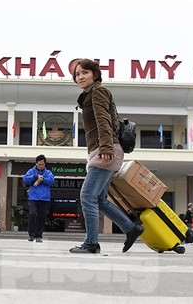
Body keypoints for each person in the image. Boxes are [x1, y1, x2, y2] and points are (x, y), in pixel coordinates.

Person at [69, 59, 144, 254]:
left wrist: (106, 148)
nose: (80, 77)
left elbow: (103, 120)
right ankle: (131, 228)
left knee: (87, 196)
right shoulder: (88, 96)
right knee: (100, 199)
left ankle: (91, 243)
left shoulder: (98, 92)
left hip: (106, 150)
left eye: (85, 72)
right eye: (77, 74)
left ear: (94, 74)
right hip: (104, 149)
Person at [23, 154, 54, 243]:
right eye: (39, 164)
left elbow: (51, 181)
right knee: (32, 214)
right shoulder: (31, 171)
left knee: (42, 217)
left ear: (45, 164)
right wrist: (35, 177)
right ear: (36, 163)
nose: (41, 166)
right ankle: (31, 235)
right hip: (33, 197)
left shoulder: (48, 173)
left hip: (44, 198)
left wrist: (42, 179)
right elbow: (25, 179)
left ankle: (39, 235)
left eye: (42, 164)